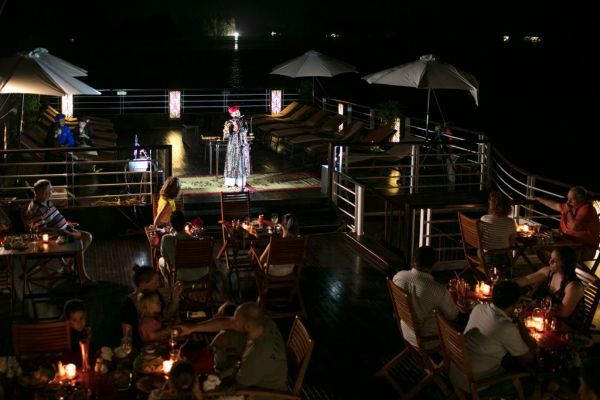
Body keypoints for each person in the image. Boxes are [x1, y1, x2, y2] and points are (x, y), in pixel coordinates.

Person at [177, 302, 287, 393]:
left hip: (262, 392)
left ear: (248, 326)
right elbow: (224, 323)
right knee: (224, 336)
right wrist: (191, 328)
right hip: (253, 373)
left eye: (236, 321)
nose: (233, 322)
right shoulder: (263, 322)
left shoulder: (257, 356)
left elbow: (238, 385)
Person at [450, 280, 534, 395]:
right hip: (475, 385)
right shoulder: (505, 327)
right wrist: (521, 323)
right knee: (530, 383)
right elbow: (528, 358)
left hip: (456, 371)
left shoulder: (479, 308)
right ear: (516, 303)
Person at [25, 179, 94, 285]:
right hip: (55, 238)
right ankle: (83, 277)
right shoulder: (35, 209)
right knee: (80, 241)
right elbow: (42, 230)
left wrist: (66, 224)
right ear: (43, 193)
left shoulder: (46, 201)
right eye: (50, 190)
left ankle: (68, 266)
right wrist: (62, 230)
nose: (52, 191)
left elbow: (54, 217)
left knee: (87, 236)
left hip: (64, 230)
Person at [392, 245, 458, 349]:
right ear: (434, 264)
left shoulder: (399, 276)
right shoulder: (439, 290)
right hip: (426, 340)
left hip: (404, 329)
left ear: (414, 260)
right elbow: (453, 315)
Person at [514, 247, 586, 331]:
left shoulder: (573, 286)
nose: (549, 262)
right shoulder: (550, 272)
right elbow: (526, 280)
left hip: (566, 326)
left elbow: (563, 313)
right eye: (550, 258)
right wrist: (506, 283)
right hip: (548, 318)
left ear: (565, 263)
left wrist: (536, 308)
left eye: (555, 261)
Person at [530, 186, 599, 261]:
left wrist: (568, 211)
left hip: (583, 249)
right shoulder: (571, 206)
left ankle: (556, 266)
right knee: (539, 243)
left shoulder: (587, 209)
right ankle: (553, 266)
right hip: (568, 243)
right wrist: (538, 198)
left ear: (581, 200)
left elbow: (574, 226)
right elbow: (554, 205)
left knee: (546, 249)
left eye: (572, 199)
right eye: (568, 198)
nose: (568, 202)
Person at [120, 265, 182, 349]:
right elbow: (127, 336)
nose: (158, 285)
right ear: (143, 283)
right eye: (154, 283)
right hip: (142, 348)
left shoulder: (155, 294)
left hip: (160, 342)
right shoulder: (128, 304)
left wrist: (175, 299)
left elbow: (166, 315)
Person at [159, 211, 206, 284]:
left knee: (160, 260)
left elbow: (165, 256)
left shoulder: (166, 239)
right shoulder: (196, 240)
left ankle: (171, 285)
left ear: (171, 224)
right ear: (185, 223)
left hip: (183, 275)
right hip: (201, 273)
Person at [480, 191, 517, 268]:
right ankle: (507, 270)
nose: (488, 201)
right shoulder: (510, 222)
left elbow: (480, 237)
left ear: (492, 204)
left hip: (485, 256)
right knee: (508, 254)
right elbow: (511, 245)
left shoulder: (484, 219)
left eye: (490, 200)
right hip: (502, 258)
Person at [258, 213, 300, 277]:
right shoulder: (298, 242)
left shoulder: (275, 242)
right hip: (289, 271)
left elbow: (262, 260)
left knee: (256, 254)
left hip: (272, 272)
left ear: (282, 226)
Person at [222, 105, 251, 189]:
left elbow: (245, 130)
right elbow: (226, 137)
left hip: (242, 144)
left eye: (238, 112)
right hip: (232, 145)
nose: (238, 113)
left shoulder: (244, 121)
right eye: (235, 113)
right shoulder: (228, 122)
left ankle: (240, 182)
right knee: (231, 162)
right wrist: (226, 131)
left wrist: (238, 127)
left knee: (241, 162)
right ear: (231, 114)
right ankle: (230, 182)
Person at [62, 299, 92, 366]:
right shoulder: (67, 336)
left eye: (82, 318)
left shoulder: (86, 331)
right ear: (68, 321)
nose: (79, 323)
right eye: (75, 320)